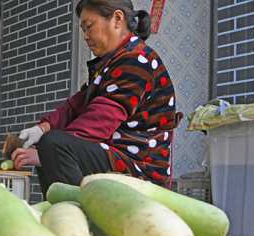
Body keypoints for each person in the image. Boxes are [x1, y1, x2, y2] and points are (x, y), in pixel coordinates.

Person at [12, 0, 179, 197]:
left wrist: (48, 153)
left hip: (140, 168)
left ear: (117, 19)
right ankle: (65, 213)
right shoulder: (112, 62)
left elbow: (100, 119)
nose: (86, 36)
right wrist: (42, 128)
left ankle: (78, 217)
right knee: (51, 144)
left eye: (89, 27)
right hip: (116, 156)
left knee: (54, 145)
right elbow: (77, 104)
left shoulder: (136, 60)